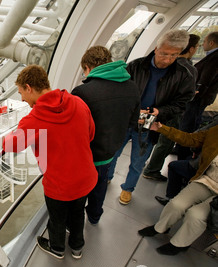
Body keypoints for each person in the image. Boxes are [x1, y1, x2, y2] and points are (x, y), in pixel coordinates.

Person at [3, 65, 97, 259]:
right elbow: (91, 133)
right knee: (78, 213)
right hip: (85, 177)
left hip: (60, 185)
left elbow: (12, 145)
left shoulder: (34, 119)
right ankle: (77, 247)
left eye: (21, 93)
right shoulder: (78, 102)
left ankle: (57, 249)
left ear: (29, 88)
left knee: (57, 219)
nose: (21, 99)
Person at [107, 29, 195, 205]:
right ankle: (107, 177)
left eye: (173, 55)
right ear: (156, 48)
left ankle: (127, 189)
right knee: (113, 152)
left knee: (138, 160)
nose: (167, 59)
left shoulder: (184, 74)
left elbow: (182, 103)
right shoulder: (135, 65)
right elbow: (121, 90)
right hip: (128, 118)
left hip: (150, 122)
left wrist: (160, 112)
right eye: (164, 53)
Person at [71, 46, 140, 224]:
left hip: (87, 153)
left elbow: (73, 130)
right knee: (100, 184)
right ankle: (94, 216)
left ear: (87, 67)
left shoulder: (83, 92)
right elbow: (133, 121)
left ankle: (74, 224)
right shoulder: (132, 87)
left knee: (79, 190)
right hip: (110, 150)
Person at [138, 121, 218, 255]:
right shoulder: (215, 131)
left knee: (196, 215)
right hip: (207, 180)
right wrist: (162, 129)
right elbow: (190, 139)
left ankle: (180, 244)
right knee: (176, 204)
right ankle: (161, 228)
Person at [179, 31, 218, 135]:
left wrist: (195, 94)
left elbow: (206, 78)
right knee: (190, 121)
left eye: (204, 41)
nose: (202, 44)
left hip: (199, 97)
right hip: (200, 96)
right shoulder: (212, 56)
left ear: (211, 43)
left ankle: (184, 147)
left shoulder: (215, 57)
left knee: (190, 122)